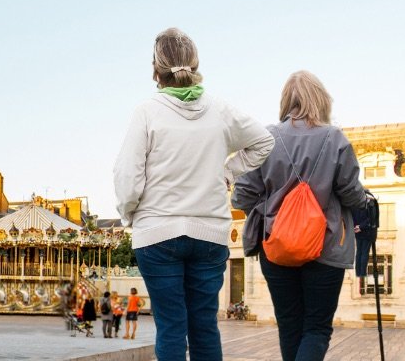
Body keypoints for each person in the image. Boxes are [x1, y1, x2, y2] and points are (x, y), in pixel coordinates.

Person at [114, 28, 275, 361]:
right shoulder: (220, 110)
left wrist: (130, 213)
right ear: (195, 64)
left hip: (157, 232)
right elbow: (264, 142)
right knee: (204, 326)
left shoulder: (147, 112)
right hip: (209, 233)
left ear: (155, 69)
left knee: (171, 328)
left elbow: (128, 175)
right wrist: (227, 172)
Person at [233, 71, 368, 361]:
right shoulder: (334, 139)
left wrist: (271, 214)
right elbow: (351, 193)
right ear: (321, 101)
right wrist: (363, 199)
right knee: (316, 328)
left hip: (277, 248)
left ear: (285, 101)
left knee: (290, 327)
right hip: (326, 246)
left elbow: (241, 194)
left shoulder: (266, 138)